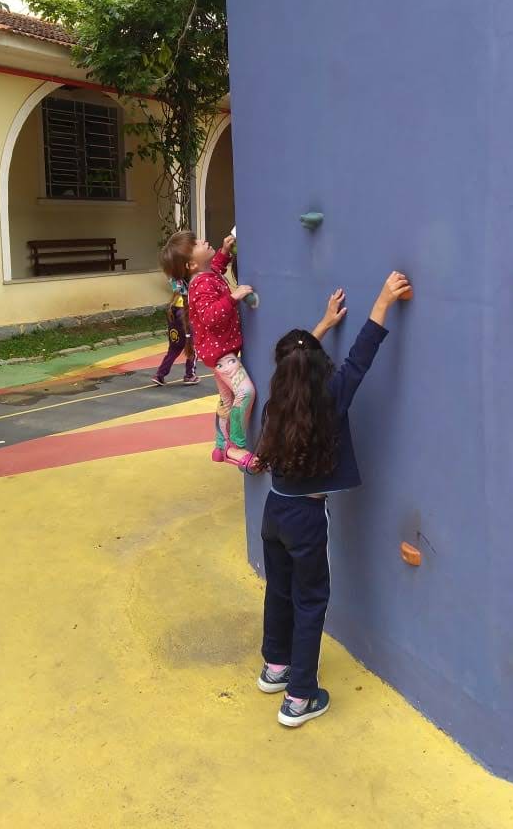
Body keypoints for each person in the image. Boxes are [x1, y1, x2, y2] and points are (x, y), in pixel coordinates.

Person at [252, 271, 412, 727]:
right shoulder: (331, 399)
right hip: (305, 519)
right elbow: (361, 356)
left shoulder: (276, 404)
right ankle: (300, 697)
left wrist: (320, 325)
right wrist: (382, 300)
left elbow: (293, 360)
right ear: (320, 368)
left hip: (274, 512)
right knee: (310, 600)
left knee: (279, 591)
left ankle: (275, 668)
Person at [158, 229, 256, 468]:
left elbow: (216, 271)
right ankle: (236, 446)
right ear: (191, 263)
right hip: (224, 355)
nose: (203, 240)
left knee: (226, 400)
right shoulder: (199, 285)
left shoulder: (204, 275)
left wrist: (223, 252)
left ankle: (221, 445)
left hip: (216, 353)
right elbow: (211, 317)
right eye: (196, 243)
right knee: (245, 393)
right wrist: (234, 297)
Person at [153, 234, 199, 387]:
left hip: (174, 310)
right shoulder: (196, 279)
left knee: (174, 347)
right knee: (192, 344)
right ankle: (189, 374)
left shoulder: (175, 281)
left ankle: (160, 374)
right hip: (185, 311)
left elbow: (177, 290)